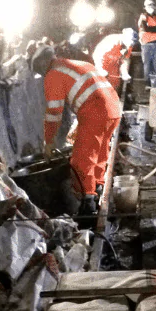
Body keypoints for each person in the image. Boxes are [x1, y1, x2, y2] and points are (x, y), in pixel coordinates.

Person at [28, 40, 121, 215]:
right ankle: (99, 189)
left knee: (80, 160)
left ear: (42, 63)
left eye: (39, 70)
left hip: (96, 111)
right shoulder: (78, 63)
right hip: (114, 108)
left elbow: (54, 113)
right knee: (100, 152)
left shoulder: (53, 74)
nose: (41, 75)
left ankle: (87, 203)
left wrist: (48, 144)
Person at [92, 28, 135, 92]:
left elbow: (125, 60)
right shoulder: (111, 41)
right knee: (101, 88)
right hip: (103, 64)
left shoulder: (129, 45)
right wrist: (99, 68)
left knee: (115, 87)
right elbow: (97, 55)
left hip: (114, 65)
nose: (130, 44)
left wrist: (124, 72)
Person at [137, 0, 156, 86]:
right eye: (149, 5)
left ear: (155, 6)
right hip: (146, 44)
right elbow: (145, 28)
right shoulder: (143, 17)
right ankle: (148, 83)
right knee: (147, 64)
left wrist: (151, 29)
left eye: (152, 5)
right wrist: (155, 29)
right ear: (145, 7)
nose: (151, 7)